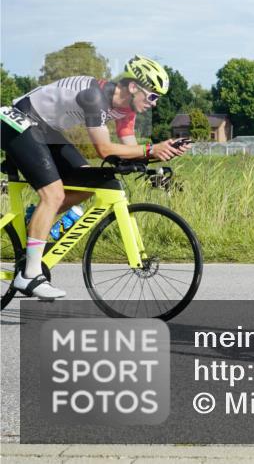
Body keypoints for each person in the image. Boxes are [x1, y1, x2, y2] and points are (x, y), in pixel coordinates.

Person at [0, 55, 189, 300]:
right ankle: (29, 275)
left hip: (46, 129)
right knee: (54, 194)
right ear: (133, 87)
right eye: (152, 96)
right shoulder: (95, 96)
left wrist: (161, 154)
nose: (154, 104)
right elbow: (104, 149)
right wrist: (151, 149)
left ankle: (34, 223)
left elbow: (130, 151)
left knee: (89, 184)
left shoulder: (126, 111)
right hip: (20, 121)